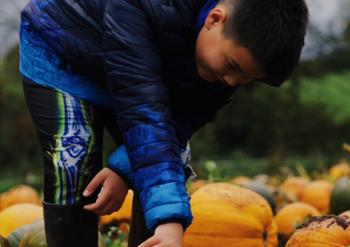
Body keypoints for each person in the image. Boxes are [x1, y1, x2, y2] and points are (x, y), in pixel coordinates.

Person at [19, 0, 309, 246]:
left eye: (247, 78)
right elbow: (143, 109)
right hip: (64, 53)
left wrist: (123, 168)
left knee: (171, 159)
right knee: (72, 162)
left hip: (143, 79)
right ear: (214, 19)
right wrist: (170, 219)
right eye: (233, 67)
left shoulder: (225, 62)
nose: (232, 82)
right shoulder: (143, 8)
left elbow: (179, 123)